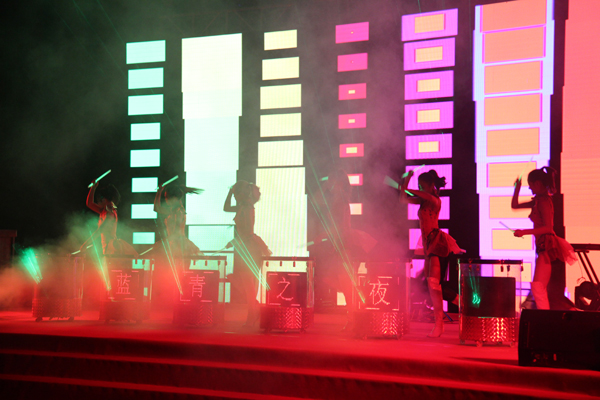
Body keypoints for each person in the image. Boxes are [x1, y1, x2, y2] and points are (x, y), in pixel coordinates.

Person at [311, 169, 376, 329]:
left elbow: (338, 225)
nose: (328, 183)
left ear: (337, 182)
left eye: (330, 180)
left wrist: (322, 235)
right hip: (341, 243)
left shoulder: (340, 200)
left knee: (340, 280)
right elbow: (316, 201)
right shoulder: (339, 198)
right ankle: (355, 305)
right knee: (333, 279)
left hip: (344, 243)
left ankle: (354, 315)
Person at [400, 169, 461, 337]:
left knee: (434, 282)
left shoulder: (435, 200)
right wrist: (406, 182)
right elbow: (403, 199)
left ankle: (441, 323)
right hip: (428, 244)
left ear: (431, 186)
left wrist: (409, 187)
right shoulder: (423, 201)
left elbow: (424, 195)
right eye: (419, 186)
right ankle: (455, 304)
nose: (420, 189)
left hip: (437, 242)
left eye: (422, 186)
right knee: (432, 285)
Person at [511, 167, 577, 310]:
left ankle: (544, 316)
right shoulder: (538, 201)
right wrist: (517, 188)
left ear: (538, 183)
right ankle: (545, 315)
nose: (529, 188)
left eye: (530, 184)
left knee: (538, 286)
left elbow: (548, 228)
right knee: (539, 286)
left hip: (547, 246)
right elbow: (515, 205)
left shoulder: (544, 202)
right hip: (542, 246)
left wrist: (524, 232)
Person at [223, 181, 271, 327]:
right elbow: (226, 208)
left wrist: (235, 241)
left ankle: (252, 313)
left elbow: (248, 231)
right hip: (245, 246)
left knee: (247, 283)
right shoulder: (243, 206)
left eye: (236, 194)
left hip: (249, 247)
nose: (235, 196)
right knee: (245, 282)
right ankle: (254, 310)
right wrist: (230, 192)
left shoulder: (247, 208)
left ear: (243, 193)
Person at [80, 181, 138, 257]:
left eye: (102, 198)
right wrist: (93, 188)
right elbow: (89, 204)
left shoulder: (110, 213)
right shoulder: (104, 210)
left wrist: (86, 244)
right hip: (109, 248)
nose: (99, 201)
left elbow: (100, 230)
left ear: (104, 199)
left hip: (112, 248)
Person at [153, 184, 203, 257]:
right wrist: (159, 191)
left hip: (178, 245)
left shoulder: (178, 212)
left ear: (174, 198)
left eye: (167, 197)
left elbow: (176, 234)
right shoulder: (174, 210)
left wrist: (162, 243)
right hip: (174, 243)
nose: (166, 200)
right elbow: (156, 208)